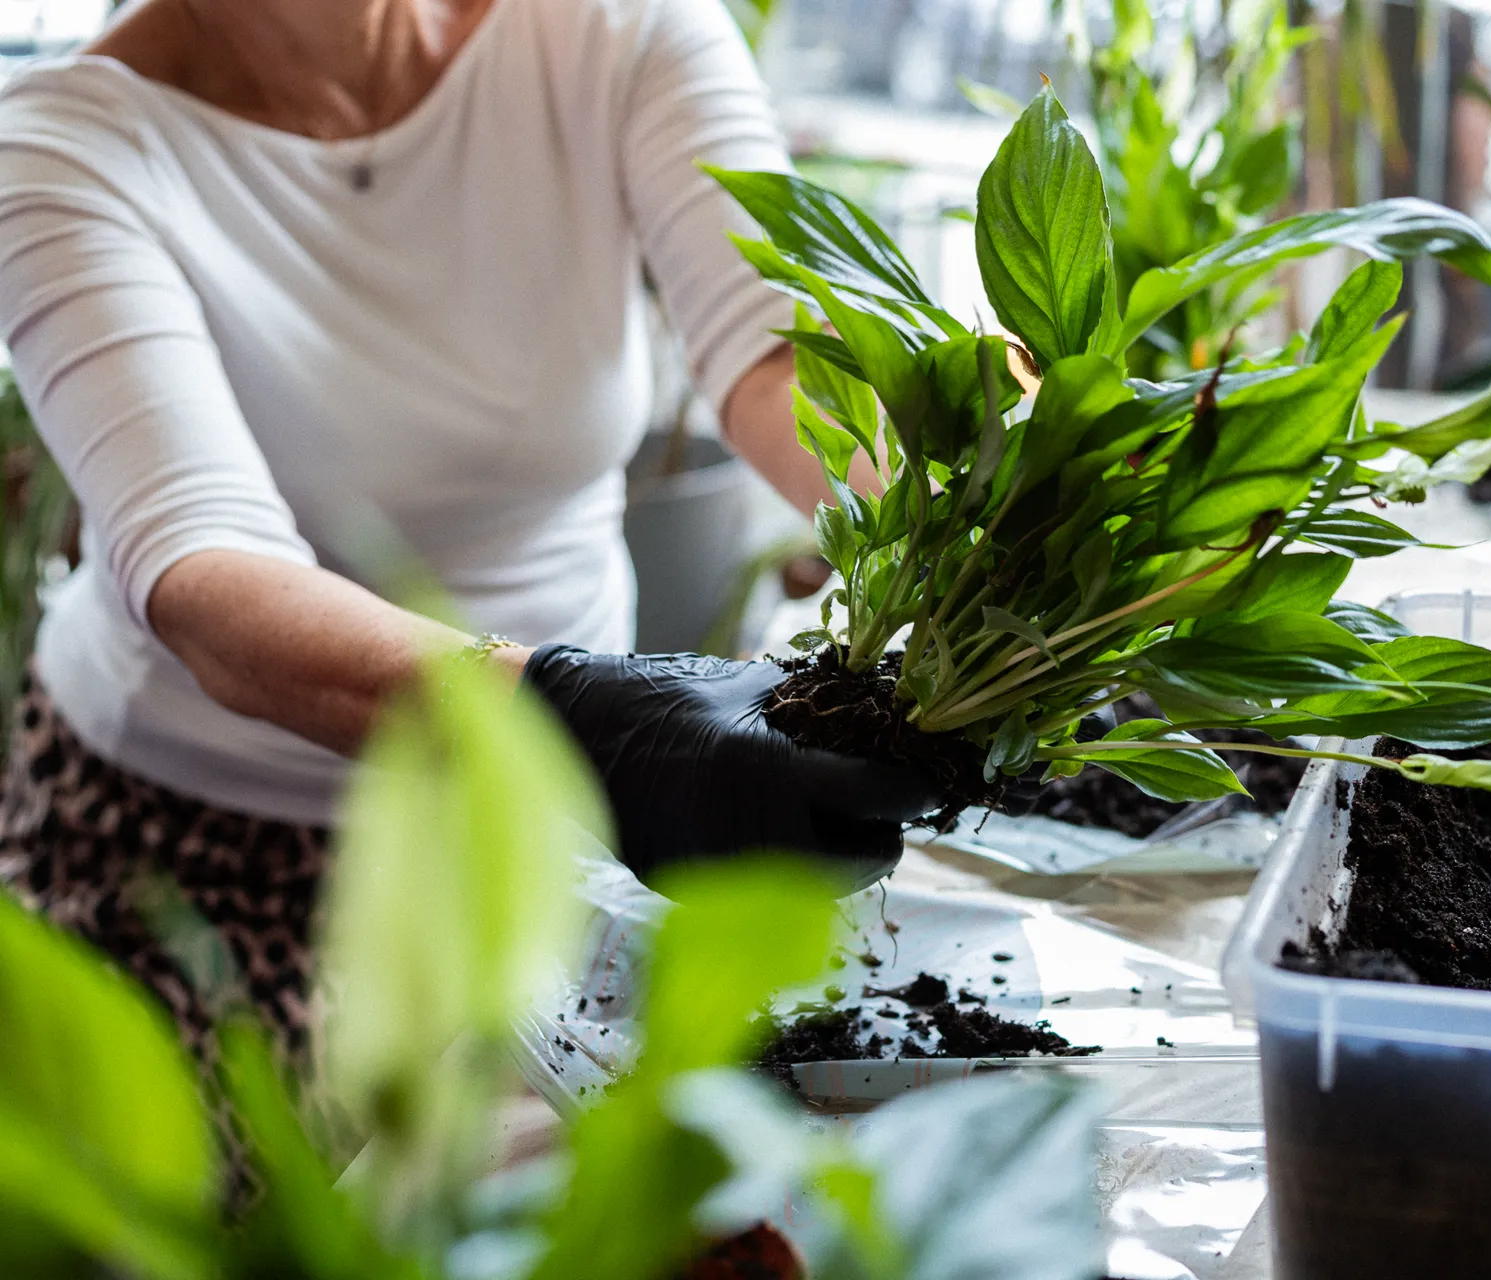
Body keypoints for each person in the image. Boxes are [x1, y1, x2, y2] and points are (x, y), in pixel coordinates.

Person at [0, 0, 935, 1060]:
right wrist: (564, 716)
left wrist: (998, 481)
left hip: (551, 834)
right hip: (196, 855)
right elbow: (209, 568)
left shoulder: (615, 31)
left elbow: (777, 361)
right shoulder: (65, 141)